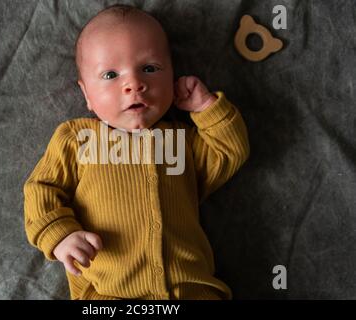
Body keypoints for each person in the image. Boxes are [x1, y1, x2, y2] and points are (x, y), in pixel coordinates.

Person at [23, 4, 250, 300]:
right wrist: (61, 235)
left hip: (190, 289)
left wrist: (206, 107)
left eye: (150, 68)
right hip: (108, 294)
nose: (134, 84)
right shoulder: (77, 139)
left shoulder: (182, 141)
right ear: (86, 94)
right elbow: (41, 189)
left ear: (171, 77)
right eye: (110, 75)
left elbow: (230, 150)